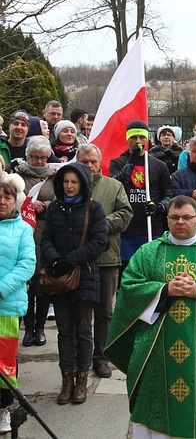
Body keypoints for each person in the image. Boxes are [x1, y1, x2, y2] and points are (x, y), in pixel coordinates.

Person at [105, 195, 196, 439]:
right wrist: (164, 290)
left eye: (186, 217)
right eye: (174, 217)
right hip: (157, 348)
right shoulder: (149, 252)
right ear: (167, 219)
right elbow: (129, 287)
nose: (180, 222)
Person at [41, 163, 108, 405]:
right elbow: (46, 238)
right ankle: (66, 379)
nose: (69, 186)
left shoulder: (94, 208)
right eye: (66, 181)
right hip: (60, 279)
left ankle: (82, 379)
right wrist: (55, 259)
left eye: (74, 182)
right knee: (64, 331)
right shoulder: (55, 209)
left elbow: (100, 242)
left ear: (82, 184)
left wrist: (71, 259)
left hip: (85, 277)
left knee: (82, 330)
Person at [76, 144, 133, 379]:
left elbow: (125, 214)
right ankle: (82, 358)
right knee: (80, 313)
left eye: (93, 162)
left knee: (104, 312)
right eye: (85, 162)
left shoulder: (114, 186)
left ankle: (101, 358)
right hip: (78, 259)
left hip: (106, 259)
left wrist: (98, 225)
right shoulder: (70, 185)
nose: (89, 166)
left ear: (100, 163)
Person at [110, 119, 172, 267]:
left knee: (150, 268)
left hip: (151, 229)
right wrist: (132, 159)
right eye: (133, 137)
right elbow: (117, 185)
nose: (138, 141)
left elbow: (169, 194)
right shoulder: (117, 163)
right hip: (127, 231)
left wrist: (159, 207)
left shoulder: (159, 165)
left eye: (142, 137)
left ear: (147, 139)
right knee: (128, 270)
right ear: (127, 139)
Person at [0, 181, 36, 433]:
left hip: (7, 306)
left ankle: (3, 409)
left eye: (7, 197)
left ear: (15, 201)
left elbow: (26, 265)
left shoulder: (23, 229)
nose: (2, 201)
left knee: (4, 362)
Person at [17, 136, 57, 347]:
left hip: (46, 235)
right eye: (35, 157)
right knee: (26, 284)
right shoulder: (17, 176)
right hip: (23, 235)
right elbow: (10, 198)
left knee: (43, 285)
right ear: (27, 157)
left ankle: (40, 327)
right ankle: (28, 327)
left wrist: (46, 205)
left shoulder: (55, 176)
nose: (40, 162)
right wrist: (29, 204)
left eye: (43, 158)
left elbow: (62, 200)